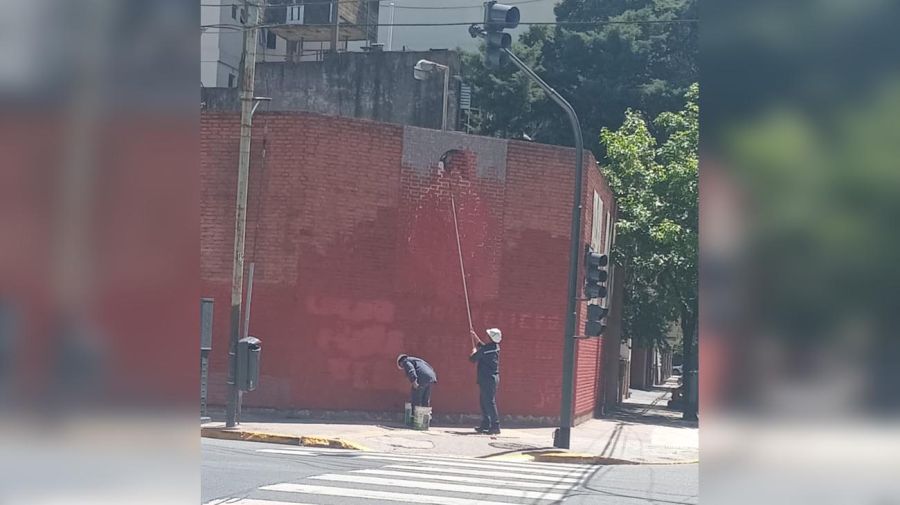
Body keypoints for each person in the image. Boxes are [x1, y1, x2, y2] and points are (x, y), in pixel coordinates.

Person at [469, 327, 502, 434]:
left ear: (491, 338)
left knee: (489, 402)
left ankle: (495, 426)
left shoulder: (487, 350)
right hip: (490, 379)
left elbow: (473, 359)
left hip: (488, 379)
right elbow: (483, 347)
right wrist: (475, 337)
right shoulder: (494, 347)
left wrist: (474, 352)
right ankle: (486, 424)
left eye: (488, 335)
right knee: (484, 402)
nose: (485, 336)